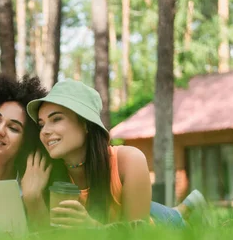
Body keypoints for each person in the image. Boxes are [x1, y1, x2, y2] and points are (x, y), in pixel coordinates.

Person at [20, 79, 204, 228]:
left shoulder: (129, 160)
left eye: (56, 119)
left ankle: (180, 213)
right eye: (41, 124)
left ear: (85, 124)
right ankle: (185, 207)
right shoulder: (45, 170)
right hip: (123, 214)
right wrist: (32, 199)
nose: (44, 131)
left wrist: (92, 228)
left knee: (169, 219)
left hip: (157, 230)